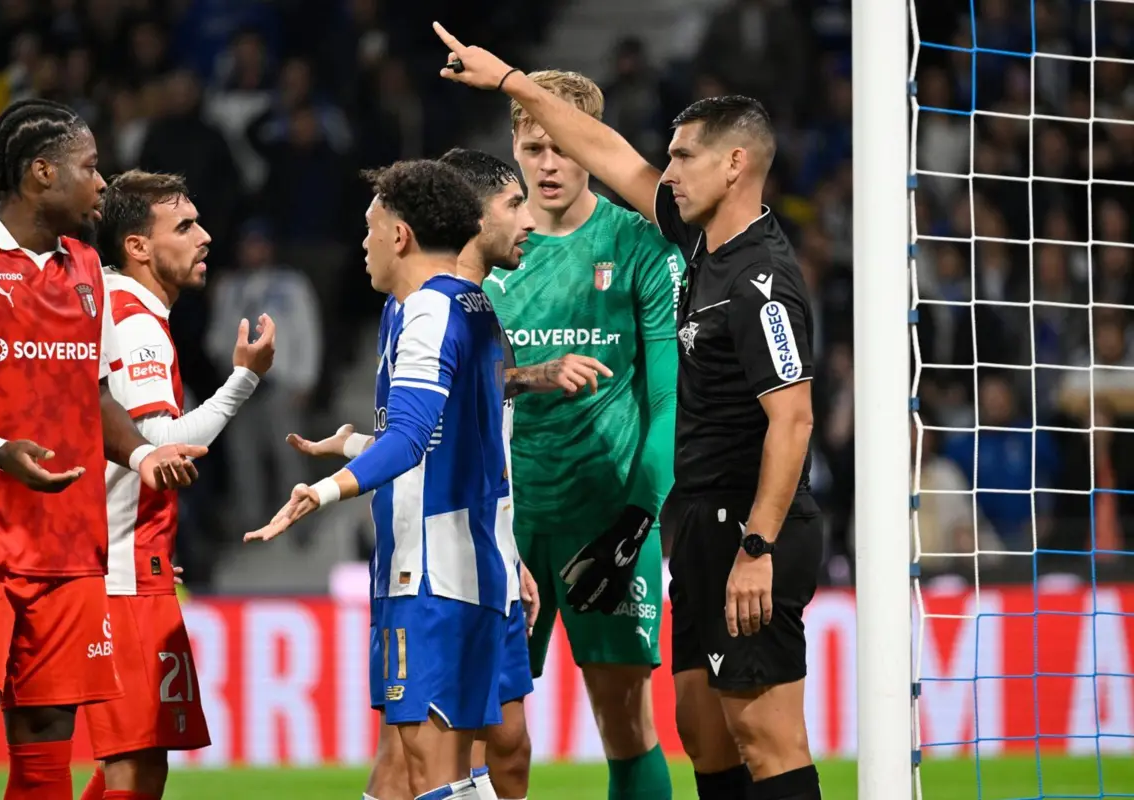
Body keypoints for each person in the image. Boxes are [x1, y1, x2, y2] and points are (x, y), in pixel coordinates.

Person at [437, 25, 824, 800]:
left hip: (718, 524)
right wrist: (510, 78)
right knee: (702, 730)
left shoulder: (753, 278)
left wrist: (748, 540)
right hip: (678, 522)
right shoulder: (699, 244)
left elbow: (794, 419)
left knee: (755, 735)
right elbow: (613, 153)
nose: (665, 172)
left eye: (682, 158)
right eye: (534, 148)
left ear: (733, 164)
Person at [290, 148, 611, 800]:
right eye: (513, 204)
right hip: (434, 562)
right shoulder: (419, 307)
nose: (528, 219)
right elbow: (422, 435)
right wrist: (351, 456)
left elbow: (460, 433)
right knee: (420, 759)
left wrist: (504, 546)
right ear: (471, 214)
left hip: (471, 552)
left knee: (486, 749)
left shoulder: (466, 308)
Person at [0, 98, 205, 800]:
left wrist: (141, 455)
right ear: (41, 173)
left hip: (68, 548)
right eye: (90, 167)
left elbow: (96, 395)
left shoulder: (86, 267)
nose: (102, 183)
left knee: (46, 738)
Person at [447, 58, 684, 800]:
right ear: (514, 147)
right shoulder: (483, 255)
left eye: (563, 147)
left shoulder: (639, 244)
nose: (548, 165)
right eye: (533, 148)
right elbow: (450, 391)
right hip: (505, 520)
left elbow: (669, 400)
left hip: (606, 517)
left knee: (626, 724)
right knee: (487, 733)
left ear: (590, 145)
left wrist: (637, 520)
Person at [246, 158, 510, 800]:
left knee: (432, 772)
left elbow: (412, 439)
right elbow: (449, 441)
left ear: (400, 235)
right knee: (412, 768)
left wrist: (322, 489)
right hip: (457, 561)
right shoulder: (468, 303)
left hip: (434, 572)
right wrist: (354, 443)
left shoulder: (429, 312)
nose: (363, 244)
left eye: (370, 229)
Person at [76, 170, 277, 800]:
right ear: (138, 246)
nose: (205, 236)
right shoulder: (136, 323)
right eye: (184, 226)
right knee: (137, 766)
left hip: (122, 555)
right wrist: (244, 379)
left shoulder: (111, 304)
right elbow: (160, 448)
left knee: (129, 761)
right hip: (121, 571)